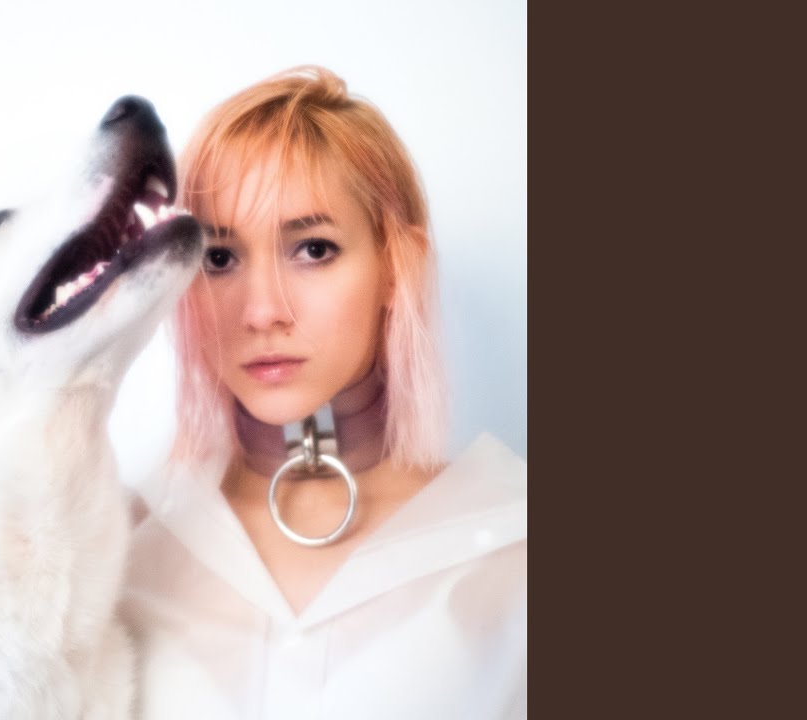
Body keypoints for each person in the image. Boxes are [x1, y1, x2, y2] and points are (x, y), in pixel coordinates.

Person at [121, 66, 526, 719]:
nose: (262, 311)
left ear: (397, 265)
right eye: (220, 258)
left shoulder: (512, 535)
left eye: (313, 249)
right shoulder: (120, 546)